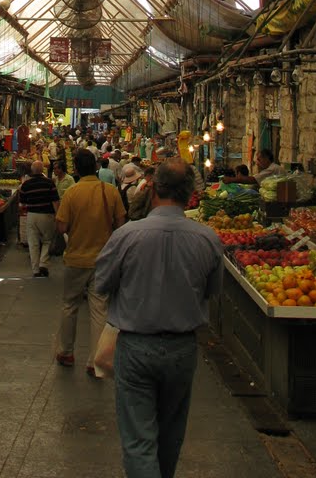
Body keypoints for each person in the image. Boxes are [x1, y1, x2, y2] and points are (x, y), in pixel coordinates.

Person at [94, 158, 223, 478]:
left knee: (139, 439)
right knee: (170, 435)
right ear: (189, 193)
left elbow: (102, 283)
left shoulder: (126, 236)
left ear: (152, 188)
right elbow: (212, 290)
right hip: (182, 349)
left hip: (136, 347)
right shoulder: (208, 239)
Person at [54, 149, 126, 375]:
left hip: (75, 258)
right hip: (102, 260)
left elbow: (62, 227)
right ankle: (95, 361)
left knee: (69, 306)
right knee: (99, 310)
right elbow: (121, 224)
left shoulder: (72, 193)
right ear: (95, 167)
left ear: (75, 168)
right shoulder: (111, 192)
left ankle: (66, 351)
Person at [18, 161, 59, 276]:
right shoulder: (49, 183)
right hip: (47, 215)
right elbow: (55, 201)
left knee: (33, 242)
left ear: (32, 171)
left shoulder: (26, 185)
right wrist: (58, 215)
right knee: (47, 240)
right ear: (43, 170)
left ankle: (35, 269)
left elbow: (22, 203)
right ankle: (43, 264)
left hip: (32, 215)